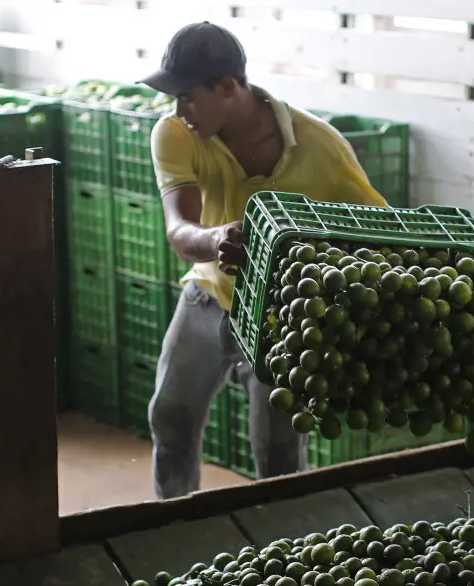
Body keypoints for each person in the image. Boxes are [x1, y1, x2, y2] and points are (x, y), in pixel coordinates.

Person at [142, 21, 387, 500]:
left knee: (277, 454)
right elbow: (179, 228)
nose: (178, 109)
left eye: (189, 95)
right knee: (170, 417)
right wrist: (216, 240)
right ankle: (169, 522)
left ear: (228, 87)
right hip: (208, 294)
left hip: (283, 316)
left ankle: (281, 549)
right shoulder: (176, 134)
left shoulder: (322, 148)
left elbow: (373, 232)